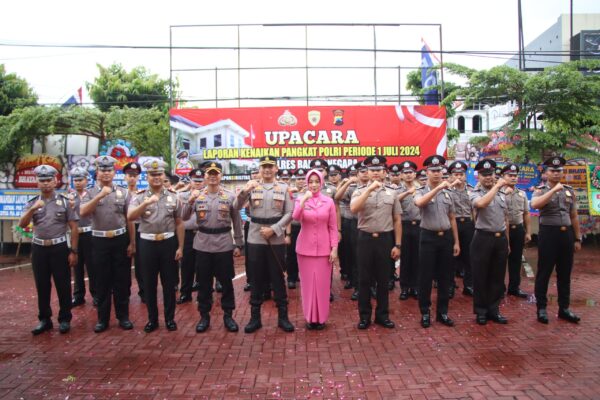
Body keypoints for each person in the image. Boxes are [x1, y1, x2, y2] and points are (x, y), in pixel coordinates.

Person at [235, 156, 295, 333]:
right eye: (264, 167)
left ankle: (283, 317)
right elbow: (236, 206)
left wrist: (275, 229)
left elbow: (290, 213)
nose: (267, 170)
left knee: (278, 277)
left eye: (270, 167)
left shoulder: (284, 188)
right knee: (256, 278)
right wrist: (245, 191)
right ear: (260, 169)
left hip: (275, 238)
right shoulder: (252, 186)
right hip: (255, 237)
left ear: (276, 169)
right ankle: (255, 318)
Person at [183, 162, 243, 333]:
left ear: (220, 176)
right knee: (203, 283)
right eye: (209, 173)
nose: (212, 176)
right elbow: (183, 216)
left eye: (216, 173)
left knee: (226, 283)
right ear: (205, 176)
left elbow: (237, 221)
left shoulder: (230, 197)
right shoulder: (197, 196)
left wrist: (238, 244)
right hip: (202, 244)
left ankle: (228, 315)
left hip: (224, 243)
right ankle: (204, 316)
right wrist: (189, 201)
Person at [19, 165, 79, 335]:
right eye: (42, 180)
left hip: (59, 248)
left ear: (55, 181)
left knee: (63, 284)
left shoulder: (65, 202)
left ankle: (65, 319)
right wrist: (32, 209)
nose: (45, 183)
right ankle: (44, 319)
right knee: (42, 285)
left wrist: (73, 251)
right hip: (39, 248)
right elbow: (22, 224)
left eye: (48, 180)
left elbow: (74, 227)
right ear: (37, 182)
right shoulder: (32, 203)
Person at [81, 155, 135, 333]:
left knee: (122, 280)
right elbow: (83, 212)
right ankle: (102, 319)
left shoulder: (123, 192)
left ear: (114, 172)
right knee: (102, 281)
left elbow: (130, 219)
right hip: (99, 241)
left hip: (120, 240)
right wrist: (99, 196)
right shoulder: (89, 193)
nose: (106, 173)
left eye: (109, 170)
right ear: (97, 172)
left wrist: (132, 243)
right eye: (103, 170)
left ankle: (123, 317)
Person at [128, 160, 184, 332]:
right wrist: (146, 203)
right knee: (149, 284)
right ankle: (152, 320)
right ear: (147, 177)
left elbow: (179, 223)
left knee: (169, 284)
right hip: (147, 244)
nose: (157, 177)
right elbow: (130, 216)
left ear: (163, 176)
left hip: (168, 243)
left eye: (159, 174)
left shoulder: (174, 196)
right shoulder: (139, 196)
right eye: (153, 175)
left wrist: (180, 247)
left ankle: (170, 319)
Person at [350, 156, 401, 329]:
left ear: (385, 173)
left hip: (385, 240)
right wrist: (369, 190)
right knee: (364, 280)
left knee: (383, 279)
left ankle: (382, 315)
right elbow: (354, 208)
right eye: (373, 170)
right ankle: (364, 316)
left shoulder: (392, 192)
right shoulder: (359, 191)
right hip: (365, 238)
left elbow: (396, 220)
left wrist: (398, 244)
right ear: (368, 173)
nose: (376, 173)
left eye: (379, 170)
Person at [531, 156, 582, 324]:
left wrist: (577, 237)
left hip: (566, 235)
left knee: (565, 272)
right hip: (548, 234)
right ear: (546, 173)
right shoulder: (541, 190)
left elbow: (573, 215)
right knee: (544, 272)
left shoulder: (569, 190)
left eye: (559, 171)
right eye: (552, 171)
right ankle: (542, 308)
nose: (556, 173)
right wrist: (553, 190)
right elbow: (535, 205)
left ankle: (564, 308)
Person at [414, 155, 460, 329]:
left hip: (446, 237)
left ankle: (443, 312)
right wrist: (437, 188)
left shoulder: (448, 193)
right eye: (433, 171)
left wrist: (456, 242)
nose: (436, 173)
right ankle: (425, 312)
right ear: (427, 172)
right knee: (425, 277)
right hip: (428, 237)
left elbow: (452, 217)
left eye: (439, 170)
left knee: (445, 277)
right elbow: (419, 203)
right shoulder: (421, 191)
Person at [293, 169, 338, 329]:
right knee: (307, 286)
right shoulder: (300, 199)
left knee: (322, 285)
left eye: (316, 181)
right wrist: (304, 199)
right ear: (306, 183)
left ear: (321, 183)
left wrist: (334, 248)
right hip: (304, 250)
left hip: (324, 250)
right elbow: (296, 217)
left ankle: (321, 318)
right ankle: (309, 317)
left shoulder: (329, 201)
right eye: (310, 182)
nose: (313, 185)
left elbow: (333, 227)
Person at [469, 159, 509, 325]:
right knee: (480, 276)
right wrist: (497, 187)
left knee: (497, 276)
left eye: (491, 174)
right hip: (483, 238)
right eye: (484, 175)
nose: (488, 177)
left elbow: (506, 218)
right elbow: (482, 204)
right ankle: (481, 311)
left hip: (500, 238)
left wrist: (508, 241)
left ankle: (494, 309)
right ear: (478, 176)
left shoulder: (502, 195)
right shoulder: (475, 193)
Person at [502, 163, 531, 298]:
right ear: (503, 176)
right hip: (502, 230)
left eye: (515, 175)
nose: (513, 178)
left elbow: (526, 213)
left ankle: (514, 287)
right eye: (510, 175)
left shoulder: (522, 193)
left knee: (516, 259)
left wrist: (528, 231)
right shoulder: (498, 193)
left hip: (518, 229)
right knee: (501, 260)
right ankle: (499, 287)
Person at [69, 166, 97, 307]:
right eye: (75, 180)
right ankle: (78, 295)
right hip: (76, 234)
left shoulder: (92, 195)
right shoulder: (69, 197)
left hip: (90, 233)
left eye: (80, 180)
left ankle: (96, 294)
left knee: (92, 265)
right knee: (77, 266)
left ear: (86, 180)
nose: (78, 182)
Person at [177, 168, 204, 304]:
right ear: (190, 181)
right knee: (187, 265)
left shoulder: (208, 195)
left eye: (200, 180)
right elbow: (180, 214)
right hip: (187, 235)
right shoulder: (181, 195)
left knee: (204, 265)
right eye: (195, 180)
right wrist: (191, 198)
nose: (198, 183)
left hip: (203, 234)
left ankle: (204, 292)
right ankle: (185, 293)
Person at [448, 161, 475, 297]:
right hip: (453, 224)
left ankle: (469, 285)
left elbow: (474, 210)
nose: (459, 177)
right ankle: (450, 285)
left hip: (468, 224)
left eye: (461, 174)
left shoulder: (471, 190)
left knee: (469, 256)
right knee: (451, 256)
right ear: (451, 176)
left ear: (465, 176)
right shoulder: (447, 190)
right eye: (455, 174)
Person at [396, 161, 421, 300]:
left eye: (410, 172)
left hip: (419, 225)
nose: (408, 175)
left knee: (417, 257)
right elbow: (395, 201)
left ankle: (416, 286)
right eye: (405, 173)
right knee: (405, 258)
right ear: (401, 175)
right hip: (404, 226)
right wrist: (407, 193)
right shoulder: (396, 189)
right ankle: (404, 287)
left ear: (415, 174)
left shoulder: (422, 188)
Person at [123, 161, 145, 303]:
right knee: (123, 263)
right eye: (129, 175)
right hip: (123, 231)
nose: (132, 178)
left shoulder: (142, 194)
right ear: (125, 176)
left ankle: (144, 291)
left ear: (138, 177)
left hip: (138, 229)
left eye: (135, 175)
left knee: (141, 263)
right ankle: (124, 293)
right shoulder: (119, 193)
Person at [335, 164, 358, 289]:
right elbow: (337, 197)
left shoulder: (366, 186)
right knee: (349, 252)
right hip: (349, 222)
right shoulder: (348, 187)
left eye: (356, 174)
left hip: (363, 223)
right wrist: (347, 183)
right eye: (352, 175)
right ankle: (351, 277)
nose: (354, 177)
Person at [285, 168, 307, 289]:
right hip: (293, 227)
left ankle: (304, 276)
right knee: (291, 253)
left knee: (306, 254)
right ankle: (291, 278)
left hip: (307, 228)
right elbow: (288, 214)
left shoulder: (311, 192)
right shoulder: (291, 193)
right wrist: (287, 234)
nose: (301, 181)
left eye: (303, 178)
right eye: (298, 179)